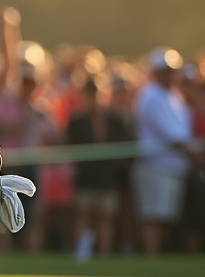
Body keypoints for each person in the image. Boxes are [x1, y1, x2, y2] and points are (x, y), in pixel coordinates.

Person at [133, 48, 198, 255]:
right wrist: (194, 154)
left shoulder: (173, 95)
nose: (170, 74)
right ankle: (152, 259)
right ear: (156, 71)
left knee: (166, 217)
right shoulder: (151, 96)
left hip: (172, 168)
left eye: (172, 70)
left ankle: (157, 257)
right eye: (165, 70)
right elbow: (173, 136)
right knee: (155, 218)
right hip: (156, 167)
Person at [66, 75, 132, 259]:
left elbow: (122, 147)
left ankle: (104, 255)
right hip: (85, 177)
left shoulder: (114, 119)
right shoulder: (76, 121)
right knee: (83, 216)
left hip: (107, 177)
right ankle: (81, 254)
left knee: (106, 218)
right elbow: (71, 147)